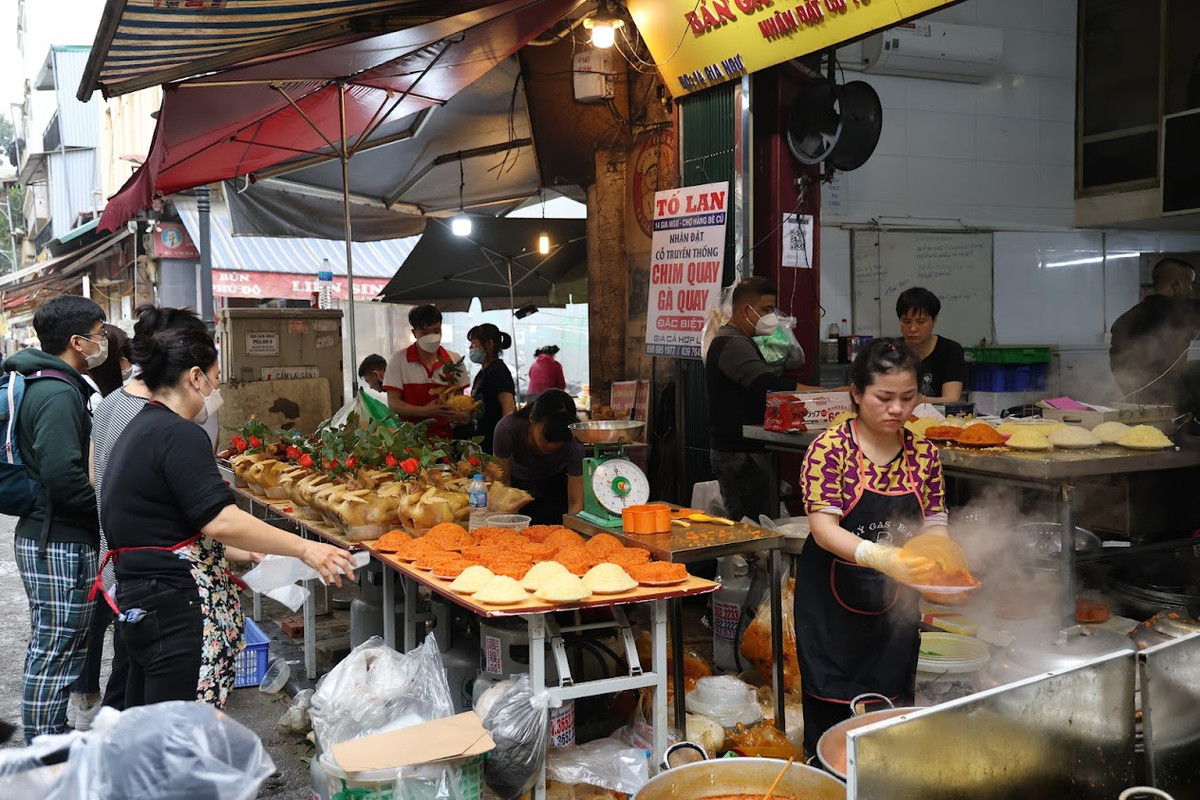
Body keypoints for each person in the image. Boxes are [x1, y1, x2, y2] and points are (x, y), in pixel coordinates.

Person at [100, 323, 359, 708]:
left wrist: (246, 551)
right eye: (216, 380)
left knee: (149, 724)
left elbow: (165, 522)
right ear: (195, 377)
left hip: (143, 596)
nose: (216, 390)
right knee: (181, 728)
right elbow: (219, 519)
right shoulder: (179, 434)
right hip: (176, 603)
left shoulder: (140, 427)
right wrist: (306, 549)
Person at [795, 338, 948, 757]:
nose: (898, 409)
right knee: (834, 723)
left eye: (908, 397)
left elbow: (934, 519)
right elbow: (824, 529)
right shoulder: (830, 451)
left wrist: (944, 563)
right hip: (832, 610)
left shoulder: (923, 454)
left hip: (895, 613)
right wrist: (881, 556)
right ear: (857, 393)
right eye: (884, 397)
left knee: (892, 720)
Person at [3, 295, 106, 741]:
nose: (102, 344)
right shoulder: (57, 392)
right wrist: (105, 513)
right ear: (76, 341)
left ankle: (48, 737)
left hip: (49, 536)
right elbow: (63, 475)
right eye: (100, 336)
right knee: (55, 648)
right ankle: (44, 747)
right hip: (57, 539)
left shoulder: (51, 383)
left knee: (55, 644)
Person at [704, 276, 800, 522]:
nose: (772, 317)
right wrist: (822, 393)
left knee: (756, 523)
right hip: (740, 455)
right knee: (752, 528)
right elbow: (767, 386)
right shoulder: (732, 344)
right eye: (767, 309)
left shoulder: (741, 341)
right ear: (746, 310)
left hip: (743, 453)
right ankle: (754, 563)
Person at [1110, 257, 1200, 407]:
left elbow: (1118, 364)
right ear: (1176, 286)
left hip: (1136, 401)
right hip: (1174, 402)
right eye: (1190, 283)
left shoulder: (1123, 321)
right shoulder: (1181, 311)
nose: (1191, 289)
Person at [493, 389, 584, 525]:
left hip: (554, 486)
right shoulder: (507, 428)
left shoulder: (574, 442)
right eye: (547, 437)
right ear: (532, 419)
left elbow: (576, 503)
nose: (552, 446)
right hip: (517, 488)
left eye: (559, 441)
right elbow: (503, 485)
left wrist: (572, 534)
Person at [383, 304, 470, 438]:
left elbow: (458, 398)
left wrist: (461, 414)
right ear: (414, 333)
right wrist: (424, 411)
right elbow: (394, 403)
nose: (431, 337)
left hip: (446, 439)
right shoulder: (399, 360)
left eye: (436, 331)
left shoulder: (454, 360)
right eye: (424, 333)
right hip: (410, 439)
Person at [895, 287, 967, 404]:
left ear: (934, 321)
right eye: (906, 322)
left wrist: (918, 400)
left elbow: (951, 399)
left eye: (921, 322)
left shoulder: (950, 350)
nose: (913, 328)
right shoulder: (891, 350)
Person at [467, 323, 516, 453]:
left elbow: (508, 408)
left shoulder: (498, 371)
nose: (470, 347)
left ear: (488, 344)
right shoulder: (482, 373)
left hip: (494, 443)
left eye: (474, 343)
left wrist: (504, 443)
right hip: (482, 440)